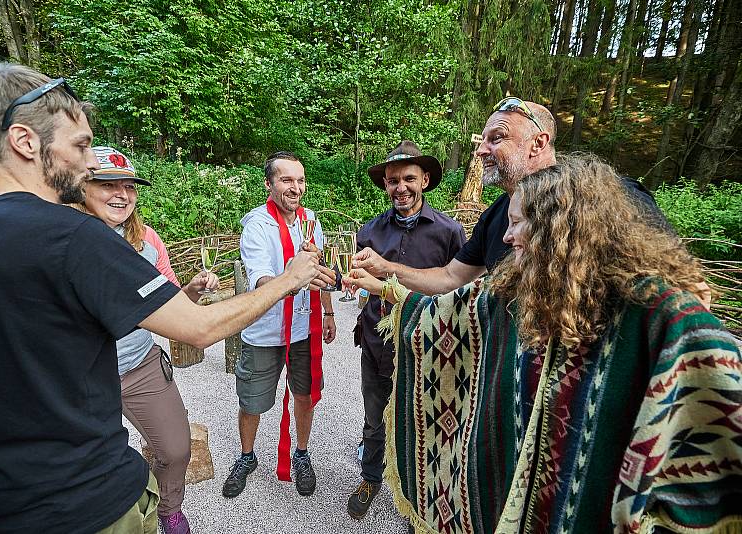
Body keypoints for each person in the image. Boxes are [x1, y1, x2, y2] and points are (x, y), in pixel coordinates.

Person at [0, 63, 330, 533]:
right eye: (81, 146)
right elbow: (199, 328)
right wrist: (291, 278)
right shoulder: (77, 237)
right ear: (25, 142)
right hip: (88, 502)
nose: (89, 163)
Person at [347, 155, 742, 533]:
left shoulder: (657, 311)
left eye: (517, 222)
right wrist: (383, 284)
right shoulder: (530, 287)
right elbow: (456, 306)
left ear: (559, 224)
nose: (505, 235)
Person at [353, 98, 693, 299]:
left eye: (496, 138)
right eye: (481, 140)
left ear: (538, 142)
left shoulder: (614, 198)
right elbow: (449, 278)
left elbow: (675, 289)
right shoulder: (495, 216)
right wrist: (387, 268)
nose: (481, 150)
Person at [75, 146, 217, 534]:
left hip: (139, 365)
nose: (122, 193)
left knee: (175, 448)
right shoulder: (60, 238)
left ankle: (168, 508)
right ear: (80, 184)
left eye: (129, 185)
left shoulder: (147, 239)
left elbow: (169, 301)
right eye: (107, 184)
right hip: (80, 378)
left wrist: (189, 290)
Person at [347, 141, 466, 520]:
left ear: (425, 180)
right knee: (374, 415)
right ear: (384, 184)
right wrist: (351, 281)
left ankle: (417, 499)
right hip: (376, 341)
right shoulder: (369, 231)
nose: (401, 187)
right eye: (393, 180)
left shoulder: (450, 232)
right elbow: (361, 281)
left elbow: (457, 291)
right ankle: (370, 477)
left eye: (409, 179)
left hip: (426, 344)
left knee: (423, 420)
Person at [222, 151, 336, 499]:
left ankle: (300, 454)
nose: (295, 187)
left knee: (304, 395)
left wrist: (328, 311)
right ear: (269, 183)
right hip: (264, 332)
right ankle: (247, 456)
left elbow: (322, 272)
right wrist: (293, 275)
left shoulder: (311, 221)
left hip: (304, 330)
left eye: (300, 180)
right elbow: (259, 280)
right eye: (287, 180)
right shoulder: (256, 224)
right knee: (252, 401)